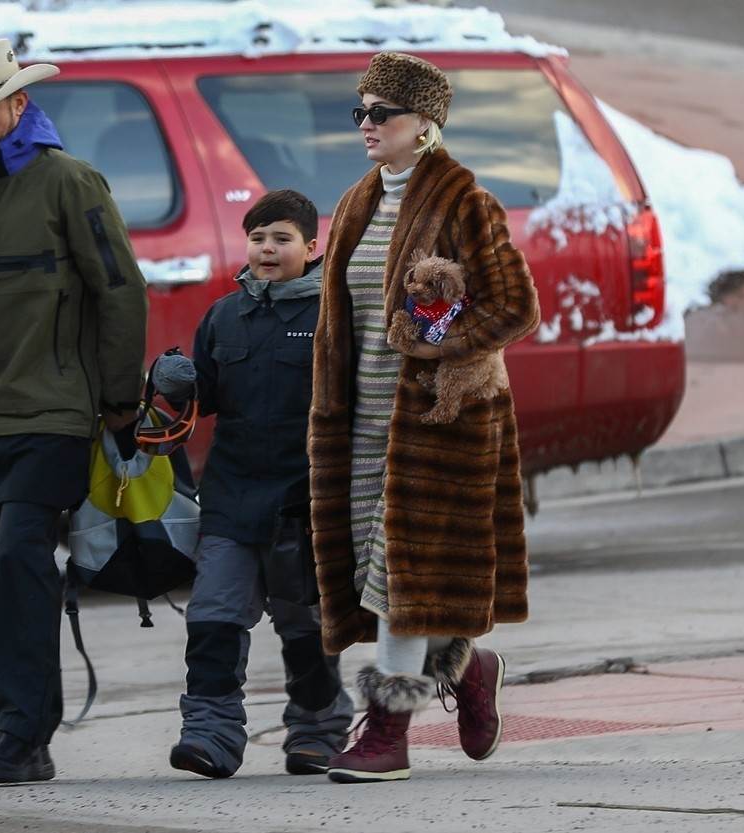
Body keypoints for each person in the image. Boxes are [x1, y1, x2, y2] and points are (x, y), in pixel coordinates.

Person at [0, 38, 148, 785]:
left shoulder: (70, 181)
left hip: (53, 406)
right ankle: (27, 725)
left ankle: (20, 734)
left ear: (19, 103)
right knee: (6, 571)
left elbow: (120, 291)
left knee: (19, 557)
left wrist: (116, 403)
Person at [308, 52, 540, 783]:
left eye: (384, 113)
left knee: (397, 581)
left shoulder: (464, 198)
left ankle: (387, 731)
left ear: (426, 125)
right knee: (386, 577)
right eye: (362, 111)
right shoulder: (355, 201)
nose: (368, 125)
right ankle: (470, 669)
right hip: (363, 420)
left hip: (440, 427)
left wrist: (436, 338)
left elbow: (515, 307)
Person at [171, 190, 353, 780]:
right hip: (230, 498)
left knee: (304, 629)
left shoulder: (333, 312)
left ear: (310, 247)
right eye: (257, 238)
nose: (267, 250)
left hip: (304, 504)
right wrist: (176, 384)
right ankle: (210, 734)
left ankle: (318, 731)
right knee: (213, 618)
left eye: (281, 238)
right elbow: (206, 398)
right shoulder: (225, 316)